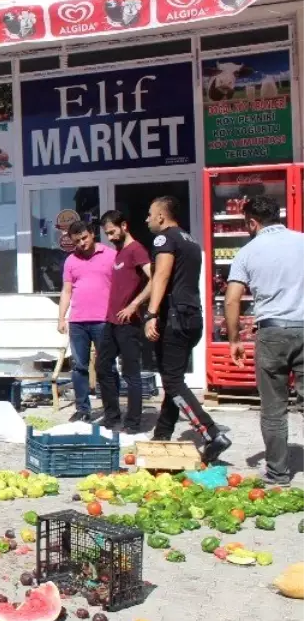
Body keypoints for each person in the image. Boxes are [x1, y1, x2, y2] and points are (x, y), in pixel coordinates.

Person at [225, 195, 304, 484]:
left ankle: (278, 473)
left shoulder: (247, 252)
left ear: (252, 222)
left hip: (272, 333)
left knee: (274, 408)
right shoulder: (302, 240)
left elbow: (232, 300)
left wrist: (234, 340)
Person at [145, 196, 229, 460]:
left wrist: (150, 313)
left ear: (161, 216)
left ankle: (211, 433)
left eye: (149, 214)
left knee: (171, 380)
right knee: (175, 379)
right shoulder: (190, 240)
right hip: (192, 317)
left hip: (174, 318)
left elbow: (162, 274)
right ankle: (162, 435)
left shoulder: (165, 239)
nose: (146, 219)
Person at [98, 211, 152, 433]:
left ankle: (133, 423)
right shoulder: (119, 253)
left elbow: (155, 278)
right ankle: (111, 416)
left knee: (131, 373)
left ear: (124, 225)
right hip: (111, 321)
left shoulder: (136, 249)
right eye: (106, 234)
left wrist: (134, 305)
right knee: (102, 367)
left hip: (129, 323)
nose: (110, 237)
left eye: (112, 232)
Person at [57, 220, 115, 423]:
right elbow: (66, 290)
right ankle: (83, 409)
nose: (81, 243)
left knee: (106, 367)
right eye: (77, 241)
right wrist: (61, 317)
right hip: (78, 321)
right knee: (79, 366)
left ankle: (111, 410)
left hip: (103, 319)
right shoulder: (71, 260)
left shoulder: (110, 255)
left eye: (84, 238)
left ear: (92, 234)